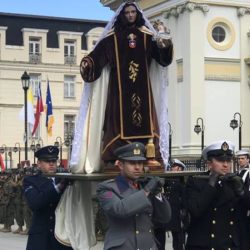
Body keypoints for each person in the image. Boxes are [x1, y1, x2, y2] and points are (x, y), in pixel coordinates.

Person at [78, 0, 173, 168]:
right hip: (119, 93)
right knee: (116, 122)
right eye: (127, 12)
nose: (130, 15)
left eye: (133, 12)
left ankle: (150, 155)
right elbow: (98, 56)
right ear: (122, 14)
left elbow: (163, 59)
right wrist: (89, 63)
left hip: (143, 91)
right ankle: (115, 157)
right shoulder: (112, 38)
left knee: (147, 121)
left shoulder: (147, 36)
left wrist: (164, 43)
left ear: (137, 14)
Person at [96, 142, 171, 250]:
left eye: (140, 163)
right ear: (121, 165)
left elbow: (165, 218)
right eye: (132, 163)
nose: (137, 167)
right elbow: (120, 209)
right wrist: (147, 190)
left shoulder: (143, 187)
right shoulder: (106, 188)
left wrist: (158, 193)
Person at [185, 141, 250, 250]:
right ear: (209, 163)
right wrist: (211, 185)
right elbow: (196, 210)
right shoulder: (196, 181)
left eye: (228, 160)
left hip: (228, 244)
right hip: (204, 245)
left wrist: (241, 191)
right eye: (220, 160)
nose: (225, 164)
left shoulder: (233, 182)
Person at [23, 146, 72, 250]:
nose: (51, 163)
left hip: (62, 236)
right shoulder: (31, 181)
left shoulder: (65, 179)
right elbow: (35, 203)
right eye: (47, 161)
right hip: (41, 237)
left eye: (54, 160)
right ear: (39, 163)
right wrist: (58, 188)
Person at [155, 159, 187, 250]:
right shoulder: (166, 180)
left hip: (176, 214)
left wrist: (183, 212)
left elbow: (184, 198)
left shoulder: (181, 182)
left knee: (178, 241)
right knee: (160, 239)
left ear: (180, 169)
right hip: (165, 212)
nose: (171, 168)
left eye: (174, 166)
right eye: (172, 166)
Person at [235, 150, 250, 250]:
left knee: (246, 234)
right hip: (237, 207)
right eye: (238, 159)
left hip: (246, 207)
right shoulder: (237, 173)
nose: (240, 161)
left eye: (242, 158)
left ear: (248, 160)